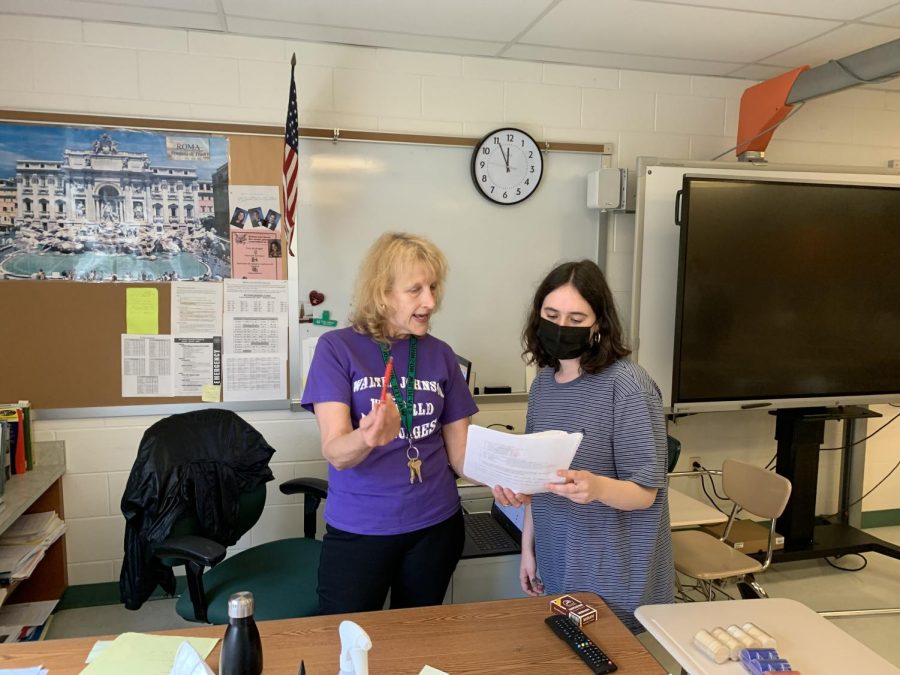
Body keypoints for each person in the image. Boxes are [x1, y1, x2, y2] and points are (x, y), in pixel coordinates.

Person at [301, 232, 519, 615]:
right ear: (382, 293)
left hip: (435, 527)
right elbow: (336, 452)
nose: (430, 302)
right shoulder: (336, 348)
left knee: (417, 637)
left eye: (433, 287)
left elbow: (461, 455)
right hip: (361, 530)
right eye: (415, 289)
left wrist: (507, 478)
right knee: (347, 640)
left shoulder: (441, 355)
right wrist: (367, 436)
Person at [518, 259, 673, 633]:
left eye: (576, 319)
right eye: (551, 315)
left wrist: (598, 487)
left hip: (615, 571)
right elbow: (539, 481)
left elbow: (646, 493)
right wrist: (528, 550)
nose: (561, 327)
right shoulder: (543, 386)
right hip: (558, 558)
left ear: (598, 324)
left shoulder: (628, 386)